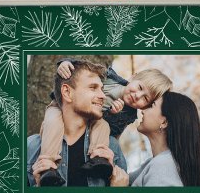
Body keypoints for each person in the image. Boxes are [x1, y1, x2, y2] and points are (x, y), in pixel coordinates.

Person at [38, 58, 172, 185]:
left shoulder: (128, 115)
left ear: (145, 106)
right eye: (140, 88)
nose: (137, 95)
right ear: (133, 77)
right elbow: (85, 70)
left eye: (145, 98)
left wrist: (112, 115)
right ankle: (48, 167)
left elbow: (113, 136)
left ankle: (98, 158)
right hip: (60, 106)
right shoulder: (109, 76)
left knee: (104, 125)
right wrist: (65, 63)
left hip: (92, 121)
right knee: (52, 121)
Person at [27, 60, 127, 187]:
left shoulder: (111, 147)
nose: (103, 95)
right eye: (93, 88)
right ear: (67, 92)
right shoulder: (30, 147)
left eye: (102, 89)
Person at [111, 91, 200, 187]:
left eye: (151, 106)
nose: (142, 110)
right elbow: (123, 179)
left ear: (164, 122)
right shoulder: (160, 163)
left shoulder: (163, 167)